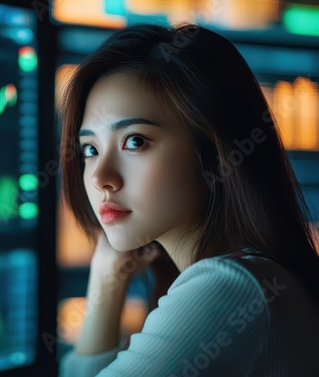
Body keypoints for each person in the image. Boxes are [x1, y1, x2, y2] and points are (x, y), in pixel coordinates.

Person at [58, 23, 319, 376]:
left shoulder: (230, 286)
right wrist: (108, 277)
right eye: (89, 149)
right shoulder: (252, 275)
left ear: (213, 150)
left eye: (135, 141)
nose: (100, 177)